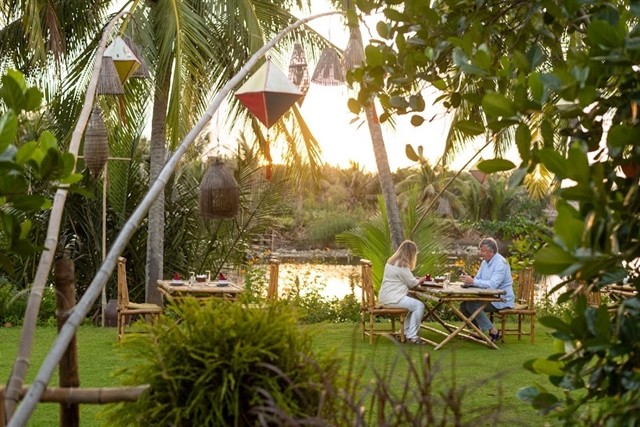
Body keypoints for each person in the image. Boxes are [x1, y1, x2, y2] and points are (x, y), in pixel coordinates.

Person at [459, 237, 515, 342]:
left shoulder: (500, 263)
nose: (480, 253)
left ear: (491, 251)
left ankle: (494, 332)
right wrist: (469, 279)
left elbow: (493, 285)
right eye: (480, 250)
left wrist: (473, 281)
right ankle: (478, 331)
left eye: (482, 250)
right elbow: (478, 279)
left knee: (472, 305)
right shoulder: (485, 262)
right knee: (463, 306)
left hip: (501, 299)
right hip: (489, 297)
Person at [378, 240, 428, 344]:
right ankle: (412, 336)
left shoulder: (392, 262)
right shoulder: (402, 265)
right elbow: (412, 284)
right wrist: (423, 279)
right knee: (419, 306)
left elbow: (405, 279)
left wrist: (415, 279)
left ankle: (405, 333)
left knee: (414, 307)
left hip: (386, 296)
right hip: (394, 298)